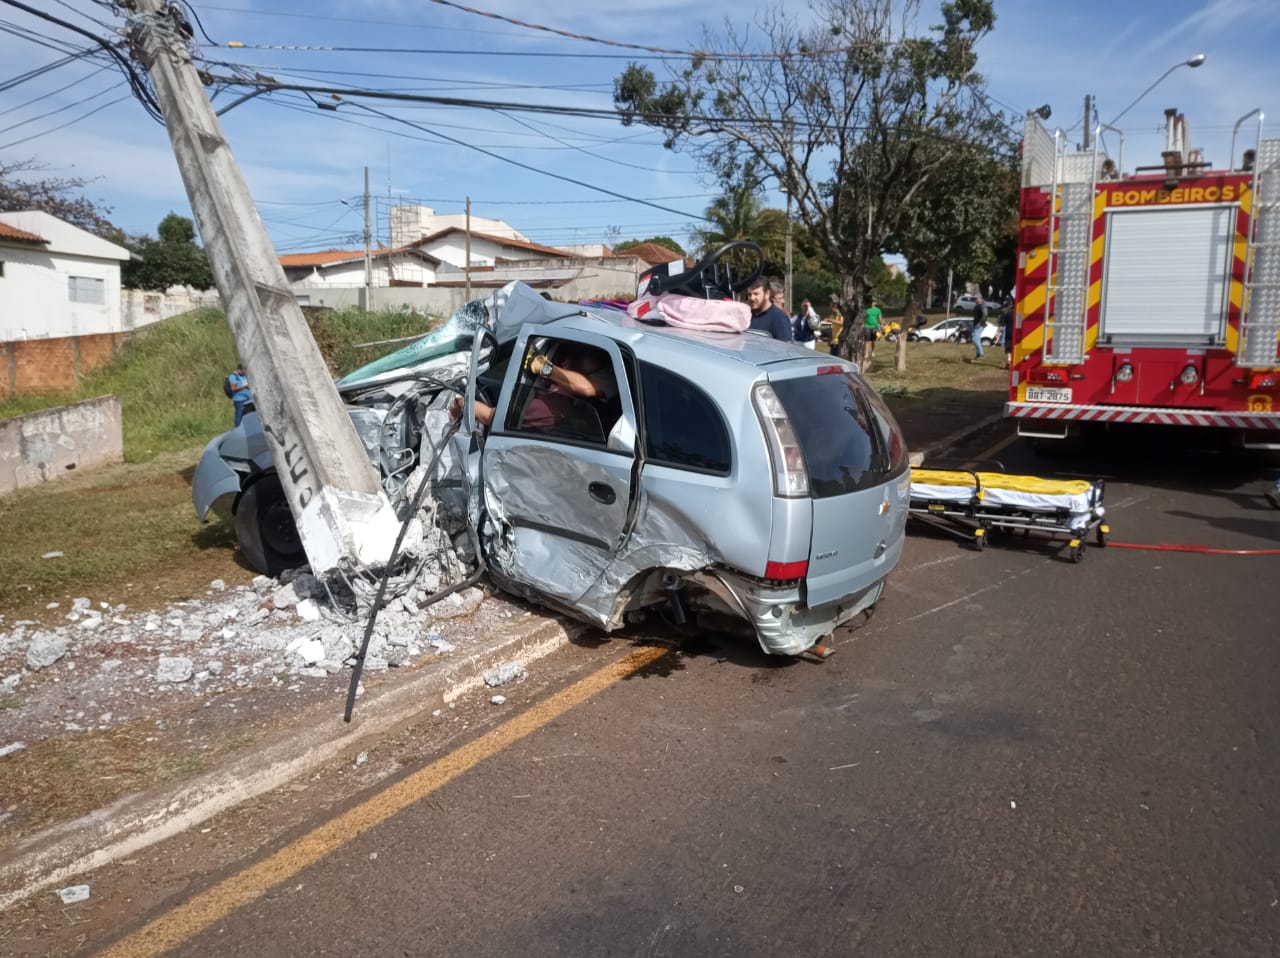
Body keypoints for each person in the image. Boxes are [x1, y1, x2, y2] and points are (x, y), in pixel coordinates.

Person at [456, 342, 617, 438]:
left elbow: (492, 417)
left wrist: (460, 403)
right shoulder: (559, 399)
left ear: (565, 362)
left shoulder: (553, 406)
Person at [745, 277, 793, 341]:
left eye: (756, 294)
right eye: (749, 294)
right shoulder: (745, 315)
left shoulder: (779, 318)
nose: (752, 298)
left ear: (767, 294)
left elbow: (785, 348)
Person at [862, 298, 882, 371]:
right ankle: (866, 353)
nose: (872, 303)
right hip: (867, 326)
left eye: (873, 302)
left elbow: (879, 318)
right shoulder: (866, 310)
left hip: (875, 326)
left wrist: (881, 325)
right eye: (871, 302)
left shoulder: (878, 310)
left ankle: (873, 351)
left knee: (873, 340)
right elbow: (863, 318)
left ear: (875, 303)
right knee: (867, 340)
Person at [969, 296, 988, 363]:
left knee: (975, 339)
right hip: (976, 325)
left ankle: (981, 353)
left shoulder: (982, 306)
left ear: (981, 300)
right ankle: (978, 354)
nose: (976, 300)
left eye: (977, 299)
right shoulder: (977, 306)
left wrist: (980, 323)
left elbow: (985, 315)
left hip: (979, 325)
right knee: (977, 339)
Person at [1000, 298, 1015, 369]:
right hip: (1018, 333)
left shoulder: (1008, 314)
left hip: (1009, 332)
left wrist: (998, 332)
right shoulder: (1020, 314)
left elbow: (1002, 324)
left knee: (1008, 347)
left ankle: (1009, 360)